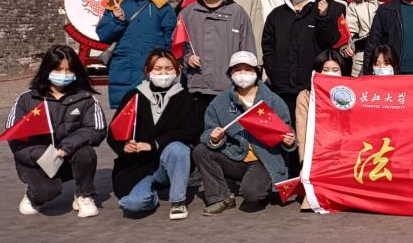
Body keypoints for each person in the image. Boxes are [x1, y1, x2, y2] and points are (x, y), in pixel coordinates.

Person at [193, 51, 296, 214]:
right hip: (234, 157)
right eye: (237, 70)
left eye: (248, 69)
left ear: (256, 72)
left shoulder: (273, 100)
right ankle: (221, 197)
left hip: (263, 161)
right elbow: (207, 132)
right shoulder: (220, 102)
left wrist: (289, 141)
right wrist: (214, 138)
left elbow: (287, 131)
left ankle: (264, 184)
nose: (243, 74)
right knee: (201, 150)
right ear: (230, 74)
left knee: (252, 195)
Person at [8, 46, 106, 217]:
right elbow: (13, 135)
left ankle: (84, 194)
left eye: (69, 70)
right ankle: (34, 194)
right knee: (46, 192)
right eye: (58, 69)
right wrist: (45, 154)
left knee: (86, 152)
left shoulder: (86, 98)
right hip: (36, 161)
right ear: (47, 69)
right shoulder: (27, 99)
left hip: (67, 156)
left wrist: (66, 148)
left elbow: (96, 128)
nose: (64, 74)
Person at [107, 49, 202, 219]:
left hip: (167, 165)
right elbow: (115, 131)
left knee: (178, 148)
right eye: (158, 69)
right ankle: (151, 194)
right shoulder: (134, 96)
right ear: (148, 71)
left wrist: (154, 144)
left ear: (177, 71)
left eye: (168, 68)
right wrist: (124, 145)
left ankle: (178, 201)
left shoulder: (185, 98)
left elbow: (191, 131)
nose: (163, 73)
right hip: (137, 168)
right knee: (132, 205)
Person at [261, 0, 343, 122]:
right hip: (282, 86)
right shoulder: (277, 14)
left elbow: (330, 41)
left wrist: (323, 17)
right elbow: (268, 47)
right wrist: (273, 72)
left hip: (311, 86)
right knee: (286, 127)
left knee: (310, 126)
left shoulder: (320, 10)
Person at [179, 0, 257, 116]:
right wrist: (188, 58)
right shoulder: (187, 13)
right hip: (197, 86)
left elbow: (248, 50)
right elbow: (178, 47)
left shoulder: (237, 12)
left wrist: (244, 79)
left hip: (229, 87)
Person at [96, 0, 176, 107]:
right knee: (126, 116)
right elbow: (103, 35)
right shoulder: (116, 2)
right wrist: (116, 20)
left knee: (156, 114)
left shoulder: (159, 3)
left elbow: (171, 35)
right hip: (125, 70)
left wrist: (164, 62)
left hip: (154, 70)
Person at [295, 49, 344, 163]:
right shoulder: (305, 96)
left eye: (335, 70)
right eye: (325, 70)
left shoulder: (351, 95)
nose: (330, 73)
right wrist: (304, 161)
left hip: (344, 153)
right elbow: (302, 133)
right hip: (317, 154)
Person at [344, 0, 389, 76]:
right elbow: (349, 34)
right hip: (361, 59)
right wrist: (348, 47)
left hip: (388, 59)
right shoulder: (356, 3)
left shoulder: (393, 1)